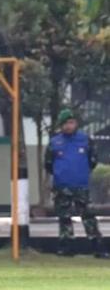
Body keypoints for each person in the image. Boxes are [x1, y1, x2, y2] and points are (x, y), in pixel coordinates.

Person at [44, 108, 108, 258]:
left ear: (76, 124)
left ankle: (97, 247)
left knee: (88, 216)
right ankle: (66, 247)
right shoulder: (54, 142)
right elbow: (48, 164)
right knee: (64, 217)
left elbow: (93, 160)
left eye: (71, 122)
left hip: (81, 186)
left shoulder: (85, 140)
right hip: (62, 186)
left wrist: (82, 173)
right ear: (61, 125)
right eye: (66, 123)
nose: (69, 126)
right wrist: (60, 174)